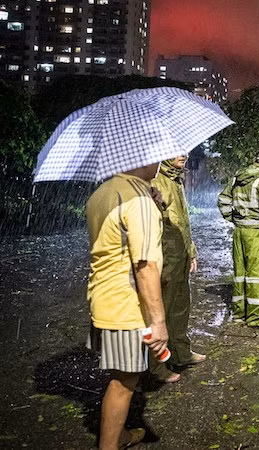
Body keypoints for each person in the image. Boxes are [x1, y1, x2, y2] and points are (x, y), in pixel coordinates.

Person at [85, 162, 167, 449]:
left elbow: (115, 240)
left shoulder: (103, 192)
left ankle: (118, 434)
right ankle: (110, 444)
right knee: (124, 382)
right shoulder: (138, 201)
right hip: (126, 305)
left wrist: (152, 202)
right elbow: (145, 265)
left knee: (120, 374)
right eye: (155, 155)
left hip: (102, 296)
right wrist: (158, 321)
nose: (159, 161)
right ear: (140, 158)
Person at [148, 155, 205, 383]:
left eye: (184, 151)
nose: (183, 155)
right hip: (165, 258)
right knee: (160, 311)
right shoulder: (156, 181)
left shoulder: (175, 180)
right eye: (176, 151)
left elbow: (182, 221)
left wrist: (190, 250)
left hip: (180, 255)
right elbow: (151, 225)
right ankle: (155, 366)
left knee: (181, 306)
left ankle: (180, 354)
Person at [217, 149, 259, 327]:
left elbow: (223, 200)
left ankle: (239, 314)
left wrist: (233, 219)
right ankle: (255, 318)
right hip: (256, 233)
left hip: (239, 232)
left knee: (240, 274)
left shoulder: (237, 178)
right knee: (256, 275)